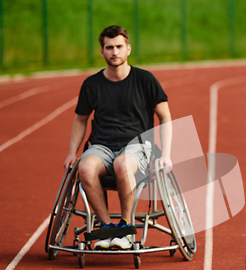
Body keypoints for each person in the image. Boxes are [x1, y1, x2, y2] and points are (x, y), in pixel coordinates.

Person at [63, 25, 172, 250]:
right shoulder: (91, 84)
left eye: (119, 47)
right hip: (102, 145)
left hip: (138, 145)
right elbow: (80, 119)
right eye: (109, 47)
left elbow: (165, 117)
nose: (115, 52)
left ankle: (125, 227)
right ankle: (106, 227)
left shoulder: (145, 80)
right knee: (85, 167)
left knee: (122, 164)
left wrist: (167, 154)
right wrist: (72, 153)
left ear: (128, 49)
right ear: (101, 52)